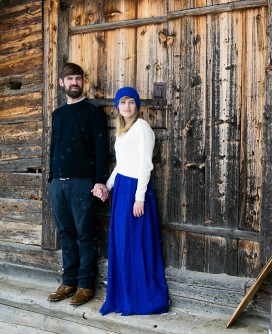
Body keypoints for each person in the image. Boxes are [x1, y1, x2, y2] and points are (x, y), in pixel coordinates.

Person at [97, 86, 169, 315]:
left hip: (136, 191)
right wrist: (107, 186)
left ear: (136, 105)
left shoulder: (142, 128)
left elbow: (145, 165)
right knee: (120, 243)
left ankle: (140, 297)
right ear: (117, 106)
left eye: (131, 102)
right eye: (123, 102)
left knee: (135, 243)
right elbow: (122, 164)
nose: (127, 106)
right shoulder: (123, 130)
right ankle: (122, 295)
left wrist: (139, 198)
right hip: (121, 189)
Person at [47, 62, 109, 306]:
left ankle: (85, 285)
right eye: (70, 78)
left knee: (85, 234)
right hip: (58, 185)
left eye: (78, 78)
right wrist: (51, 180)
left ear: (83, 82)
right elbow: (53, 148)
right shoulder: (58, 114)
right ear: (62, 83)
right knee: (65, 233)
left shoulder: (92, 111)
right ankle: (68, 281)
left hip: (83, 184)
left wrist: (99, 181)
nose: (74, 82)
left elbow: (101, 149)